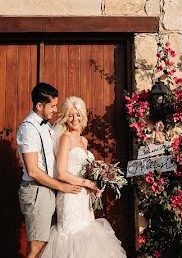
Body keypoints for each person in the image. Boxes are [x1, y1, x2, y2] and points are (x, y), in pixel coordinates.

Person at [42, 96, 127, 258]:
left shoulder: (83, 141)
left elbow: (86, 170)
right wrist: (88, 183)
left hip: (84, 198)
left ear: (83, 116)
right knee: (72, 240)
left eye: (78, 114)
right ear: (66, 117)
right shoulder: (65, 138)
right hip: (70, 195)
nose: (75, 119)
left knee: (87, 243)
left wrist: (95, 187)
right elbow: (61, 172)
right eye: (71, 115)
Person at [16, 83, 82, 258]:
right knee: (37, 248)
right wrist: (62, 187)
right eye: (52, 106)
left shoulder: (46, 126)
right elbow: (33, 171)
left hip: (50, 190)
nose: (55, 110)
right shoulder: (28, 128)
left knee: (49, 246)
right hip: (38, 191)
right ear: (39, 106)